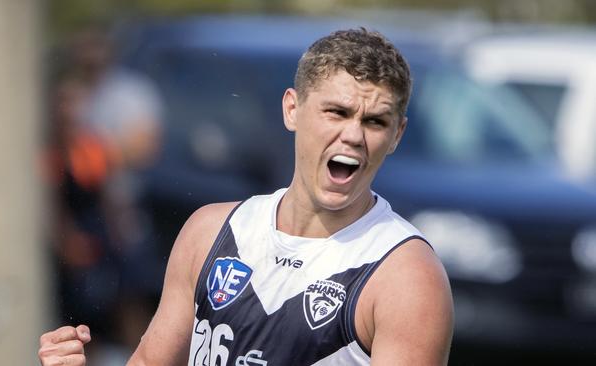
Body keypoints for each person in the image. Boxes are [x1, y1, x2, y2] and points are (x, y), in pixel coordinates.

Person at [39, 28, 454, 366]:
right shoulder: (212, 230)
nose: (353, 135)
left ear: (396, 134)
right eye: (337, 112)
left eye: (375, 121)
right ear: (292, 110)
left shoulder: (404, 275)